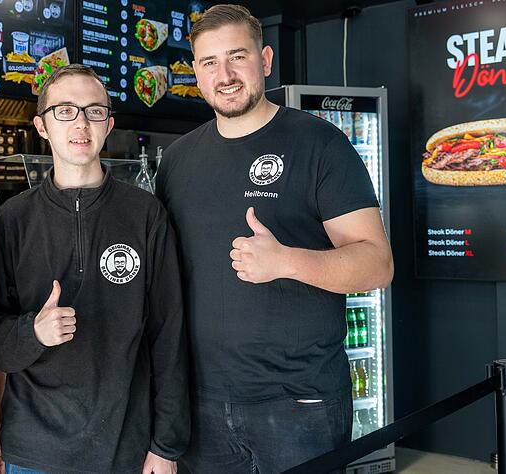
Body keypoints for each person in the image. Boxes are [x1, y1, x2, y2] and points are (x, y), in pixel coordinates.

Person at [156, 5, 394, 474]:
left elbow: (377, 264)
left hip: (300, 403)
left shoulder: (321, 144)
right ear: (196, 74)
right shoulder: (178, 161)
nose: (224, 75)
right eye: (209, 62)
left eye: (237, 56)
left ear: (265, 61)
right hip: (201, 403)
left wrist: (285, 261)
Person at [0, 64, 189, 474]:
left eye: (94, 111)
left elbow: (169, 334)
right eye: (65, 110)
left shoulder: (145, 214)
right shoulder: (12, 218)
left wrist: (166, 446)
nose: (81, 123)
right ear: (42, 126)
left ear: (108, 124)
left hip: (126, 450)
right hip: (34, 454)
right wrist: (33, 332)